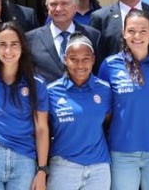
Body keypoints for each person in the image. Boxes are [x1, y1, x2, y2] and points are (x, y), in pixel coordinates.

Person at [97, 9, 149, 189]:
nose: (137, 36)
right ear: (123, 33)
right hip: (122, 152)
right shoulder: (109, 66)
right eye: (131, 31)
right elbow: (104, 111)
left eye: (143, 31)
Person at [0, 21, 48, 190]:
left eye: (14, 45)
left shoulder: (36, 84)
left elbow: (41, 128)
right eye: (3, 45)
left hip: (24, 159)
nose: (8, 51)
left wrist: (42, 170)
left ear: (22, 47)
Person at [46, 34, 112, 190]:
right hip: (63, 166)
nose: (80, 65)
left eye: (85, 59)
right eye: (73, 59)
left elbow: (109, 122)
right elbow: (43, 130)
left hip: (99, 168)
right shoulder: (51, 92)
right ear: (65, 59)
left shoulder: (105, 90)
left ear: (93, 60)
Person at [27, 0, 101, 83]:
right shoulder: (30, 39)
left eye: (64, 3)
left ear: (75, 7)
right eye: (53, 4)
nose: (58, 9)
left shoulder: (93, 36)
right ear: (47, 8)